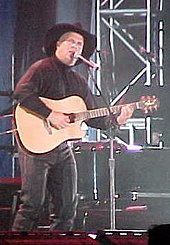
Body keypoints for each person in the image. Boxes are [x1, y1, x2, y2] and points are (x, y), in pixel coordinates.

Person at [12, 22, 134, 231]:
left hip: (62, 148)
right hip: (36, 145)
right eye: (71, 42)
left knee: (67, 208)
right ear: (57, 45)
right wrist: (50, 114)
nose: (76, 47)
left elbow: (92, 116)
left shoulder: (79, 81)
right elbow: (22, 93)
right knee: (32, 204)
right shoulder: (42, 68)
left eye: (79, 44)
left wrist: (116, 120)